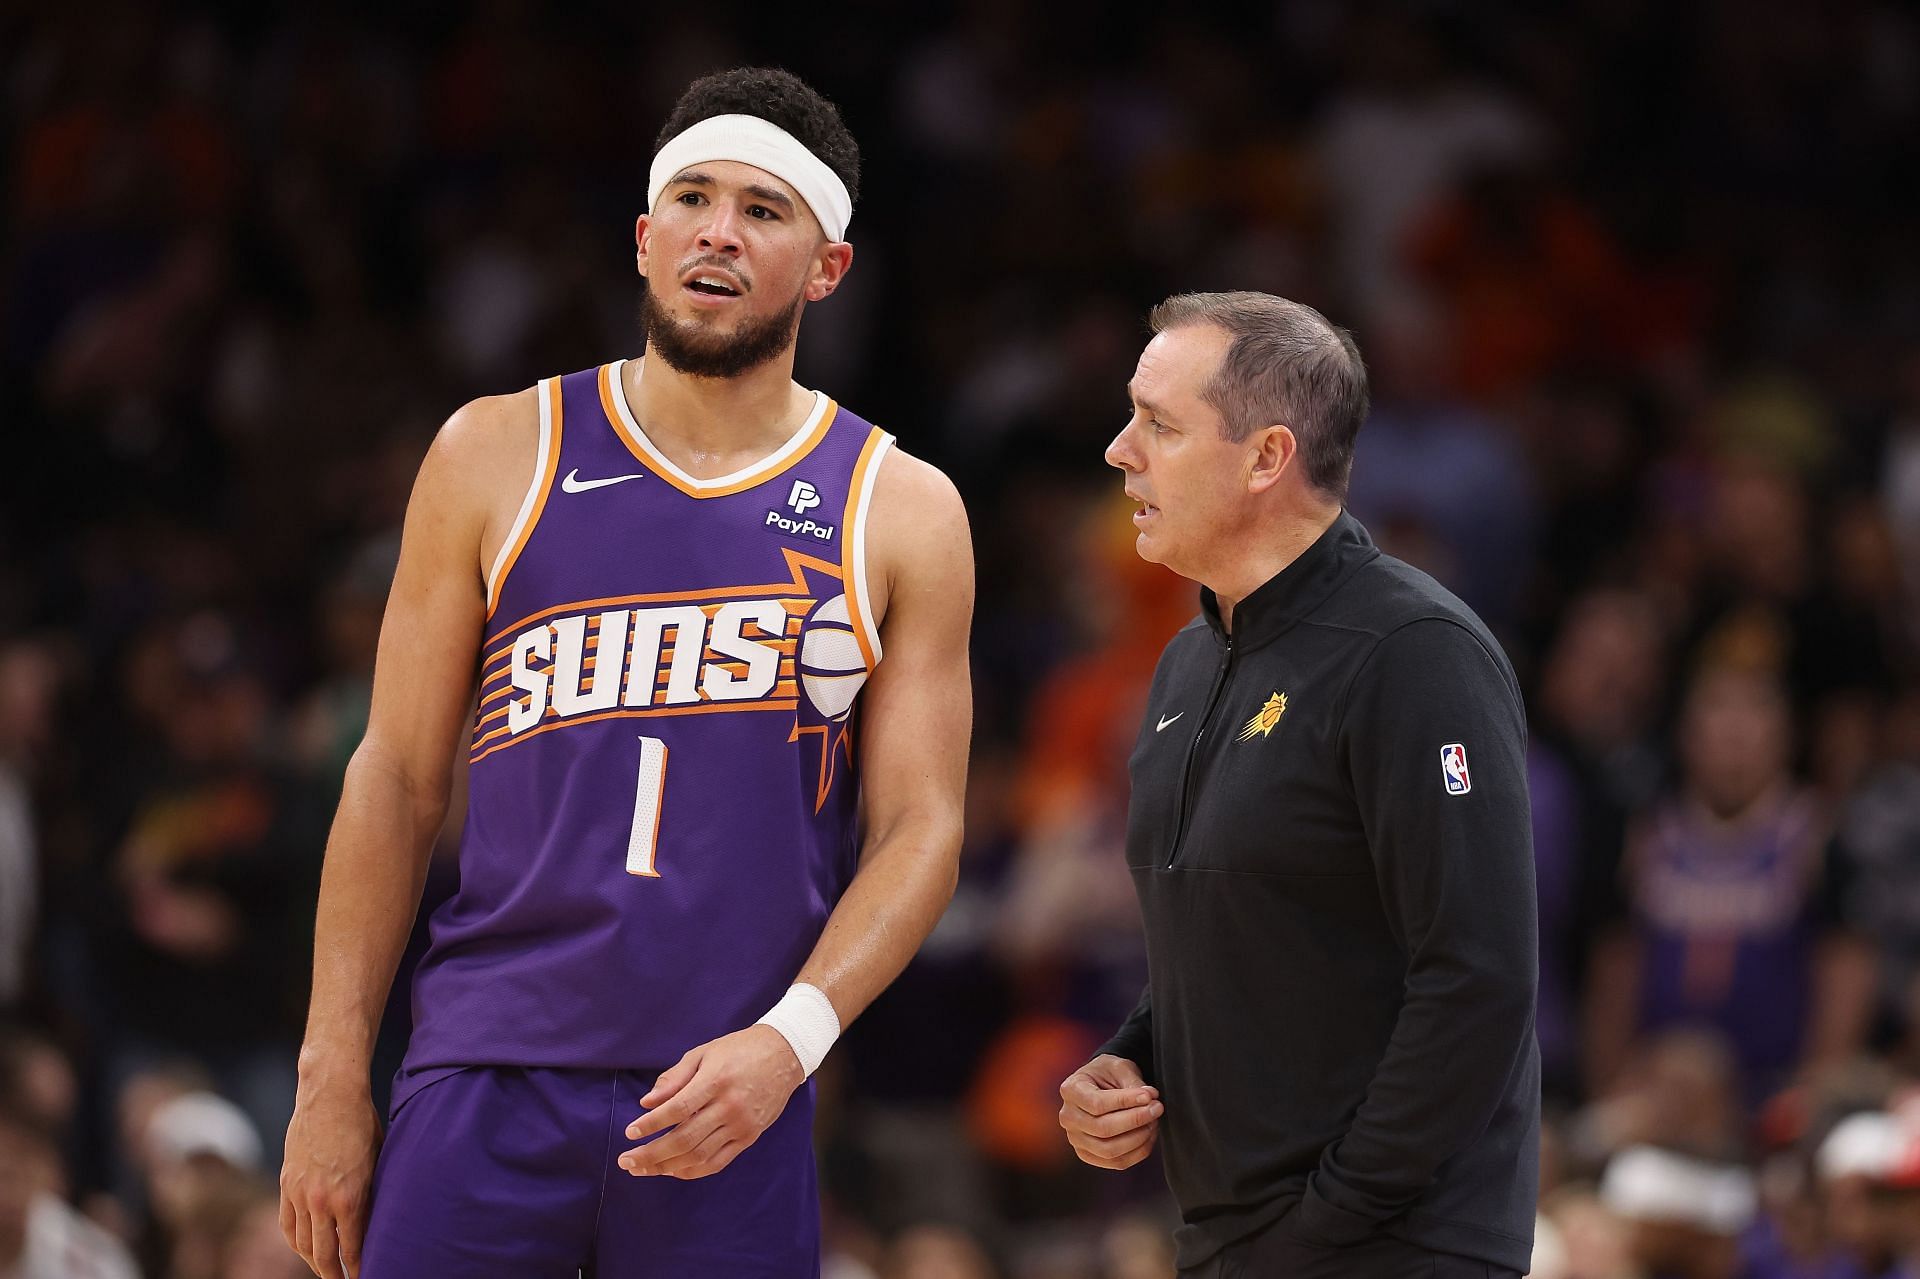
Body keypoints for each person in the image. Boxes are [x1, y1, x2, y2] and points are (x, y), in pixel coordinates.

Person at [278, 67, 973, 1279]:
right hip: (488, 1062)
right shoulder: (497, 449)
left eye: (765, 210)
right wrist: (332, 1078)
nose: (720, 230)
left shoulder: (900, 507)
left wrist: (791, 1041)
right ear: (646, 241)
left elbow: (920, 827)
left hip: (729, 1088)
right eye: (694, 199)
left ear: (826, 268)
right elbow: (392, 776)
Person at [1057, 292, 1539, 1277]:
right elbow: (1241, 937)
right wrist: (1131, 1062)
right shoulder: (1186, 663)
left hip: (1390, 1247)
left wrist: (1326, 1221)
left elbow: (1478, 977)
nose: (1119, 450)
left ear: (1267, 457)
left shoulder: (1415, 652)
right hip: (1237, 1241)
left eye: (1159, 424)